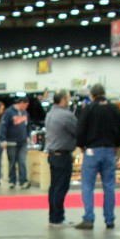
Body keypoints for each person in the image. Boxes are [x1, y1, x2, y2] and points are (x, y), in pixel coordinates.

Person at [75, 84, 120, 229]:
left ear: (92, 96)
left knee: (88, 186)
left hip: (92, 151)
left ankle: (89, 218)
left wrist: (81, 146)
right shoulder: (114, 108)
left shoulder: (88, 109)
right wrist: (117, 146)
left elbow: (80, 130)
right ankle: (110, 220)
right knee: (109, 186)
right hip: (109, 151)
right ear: (104, 94)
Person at [44, 91, 80, 226]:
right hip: (62, 155)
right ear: (63, 100)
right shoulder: (65, 115)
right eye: (68, 98)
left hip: (53, 154)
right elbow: (77, 130)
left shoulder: (50, 113)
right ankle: (58, 217)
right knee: (61, 187)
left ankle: (53, 216)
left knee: (54, 186)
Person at [3, 98, 31, 188]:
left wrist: (28, 135)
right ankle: (12, 181)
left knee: (22, 161)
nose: (26, 107)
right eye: (26, 105)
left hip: (22, 141)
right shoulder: (9, 112)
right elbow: (3, 126)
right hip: (11, 141)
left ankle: (23, 181)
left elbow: (28, 125)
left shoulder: (25, 113)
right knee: (12, 162)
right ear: (22, 103)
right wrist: (3, 139)